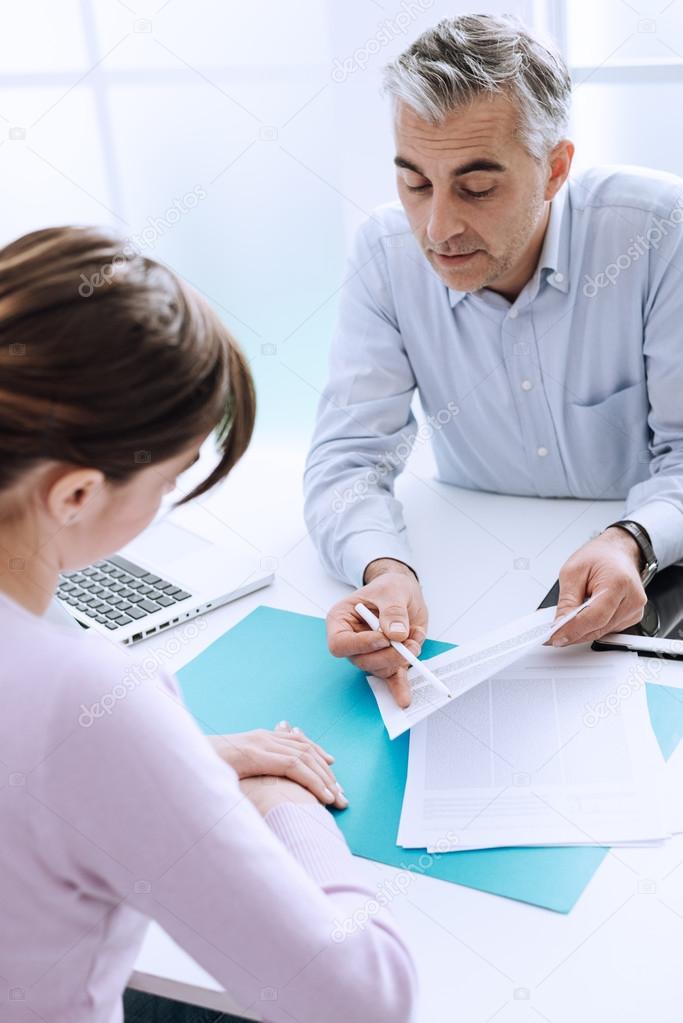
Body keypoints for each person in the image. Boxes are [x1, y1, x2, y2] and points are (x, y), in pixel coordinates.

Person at [0, 226, 416, 1022]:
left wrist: (190, 757)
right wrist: (271, 796)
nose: (164, 505)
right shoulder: (86, 698)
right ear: (76, 495)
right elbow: (362, 999)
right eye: (169, 477)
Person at [304, 13, 683, 707]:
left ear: (555, 169)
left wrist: (634, 536)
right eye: (415, 183)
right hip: (469, 599)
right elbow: (348, 458)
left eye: (476, 188)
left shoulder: (658, 231)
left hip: (637, 603)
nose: (438, 229)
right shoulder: (384, 255)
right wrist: (383, 565)